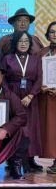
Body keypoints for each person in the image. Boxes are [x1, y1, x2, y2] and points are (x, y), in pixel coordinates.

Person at [3, 31, 42, 172]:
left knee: (31, 128)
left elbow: (39, 79)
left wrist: (30, 95)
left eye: (26, 41)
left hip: (30, 98)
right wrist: (12, 98)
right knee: (16, 127)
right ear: (15, 43)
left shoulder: (36, 59)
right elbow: (3, 80)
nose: (23, 44)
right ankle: (14, 161)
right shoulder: (7, 58)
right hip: (13, 96)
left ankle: (30, 160)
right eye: (20, 41)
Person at [39, 22, 56, 174]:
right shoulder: (42, 53)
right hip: (47, 97)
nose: (55, 34)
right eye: (52, 32)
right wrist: (41, 87)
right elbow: (35, 74)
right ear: (47, 35)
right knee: (51, 130)